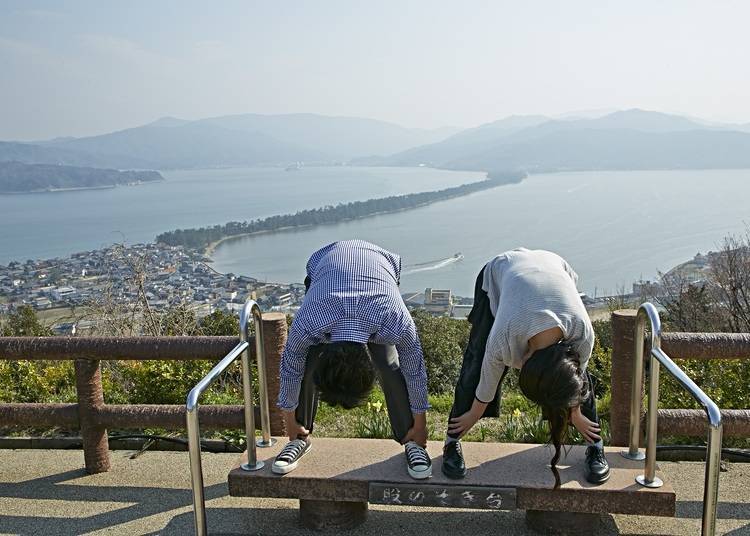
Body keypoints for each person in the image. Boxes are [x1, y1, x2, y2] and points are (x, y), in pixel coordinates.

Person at [442, 247, 609, 488]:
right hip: (501, 270)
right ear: (523, 359)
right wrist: (474, 413)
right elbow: (488, 376)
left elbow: (576, 380)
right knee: (476, 363)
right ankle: (451, 441)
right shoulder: (503, 336)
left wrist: (576, 414)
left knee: (575, 381)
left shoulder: (581, 333)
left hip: (554, 267)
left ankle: (595, 446)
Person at [274, 240, 431, 479]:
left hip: (381, 264)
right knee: (305, 364)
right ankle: (299, 437)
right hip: (323, 263)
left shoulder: (394, 319)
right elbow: (290, 369)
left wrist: (421, 426)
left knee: (390, 366)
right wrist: (289, 422)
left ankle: (412, 441)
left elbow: (415, 371)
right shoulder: (310, 321)